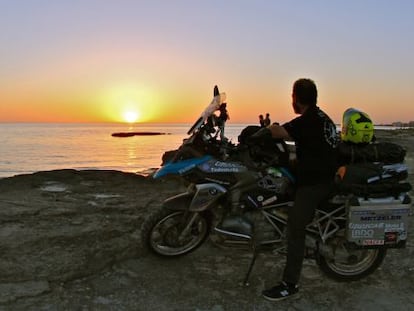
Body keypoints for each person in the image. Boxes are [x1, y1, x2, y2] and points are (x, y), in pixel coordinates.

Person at [262, 78, 338, 301]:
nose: (291, 100)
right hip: (321, 173)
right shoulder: (321, 117)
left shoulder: (309, 120)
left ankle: (290, 283)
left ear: (297, 98)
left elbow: (279, 132)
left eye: (292, 96)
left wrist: (262, 130)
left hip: (316, 183)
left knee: (296, 226)